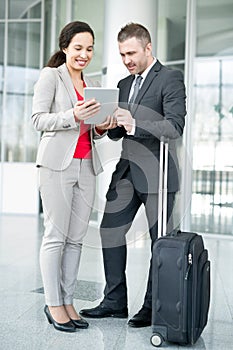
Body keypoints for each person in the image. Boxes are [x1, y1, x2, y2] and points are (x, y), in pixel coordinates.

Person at [80, 22, 186, 328]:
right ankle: (114, 301)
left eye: (131, 53)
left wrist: (135, 123)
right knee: (109, 231)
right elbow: (117, 132)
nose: (126, 59)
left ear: (147, 47)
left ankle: (151, 307)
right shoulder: (124, 84)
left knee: (159, 243)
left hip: (158, 173)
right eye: (122, 54)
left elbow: (174, 127)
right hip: (127, 171)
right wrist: (107, 123)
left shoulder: (170, 78)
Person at [31, 21, 115, 333]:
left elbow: (91, 129)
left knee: (76, 239)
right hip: (56, 166)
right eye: (78, 48)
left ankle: (67, 300)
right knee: (55, 236)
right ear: (65, 46)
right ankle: (53, 303)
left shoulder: (92, 83)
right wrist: (72, 116)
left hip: (86, 165)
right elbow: (38, 119)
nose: (84, 54)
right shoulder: (50, 76)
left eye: (89, 48)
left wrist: (101, 127)